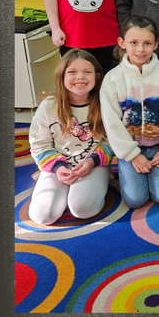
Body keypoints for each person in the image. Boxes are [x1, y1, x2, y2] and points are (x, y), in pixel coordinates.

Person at [100, 16, 159, 209]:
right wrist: (132, 155)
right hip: (129, 148)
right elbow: (112, 123)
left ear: (156, 44)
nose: (141, 49)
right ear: (122, 43)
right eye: (134, 43)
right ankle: (127, 168)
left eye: (147, 43)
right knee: (135, 200)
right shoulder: (113, 78)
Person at [27, 50, 113, 225]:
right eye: (72, 72)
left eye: (87, 72)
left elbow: (113, 141)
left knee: (84, 209)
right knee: (43, 215)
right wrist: (58, 168)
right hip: (57, 165)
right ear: (61, 76)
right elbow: (39, 144)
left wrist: (93, 161)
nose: (80, 77)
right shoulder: (48, 107)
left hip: (93, 163)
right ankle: (51, 179)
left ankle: (99, 179)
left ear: (97, 77)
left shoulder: (105, 103)